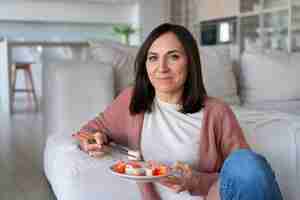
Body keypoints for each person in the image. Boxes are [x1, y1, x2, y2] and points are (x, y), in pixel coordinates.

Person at [74, 23, 283, 200]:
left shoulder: (217, 112)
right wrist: (92, 139)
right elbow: (89, 131)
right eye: (153, 58)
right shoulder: (131, 101)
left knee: (248, 164)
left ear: (190, 62)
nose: (161, 67)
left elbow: (243, 180)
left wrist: (195, 180)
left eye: (173, 57)